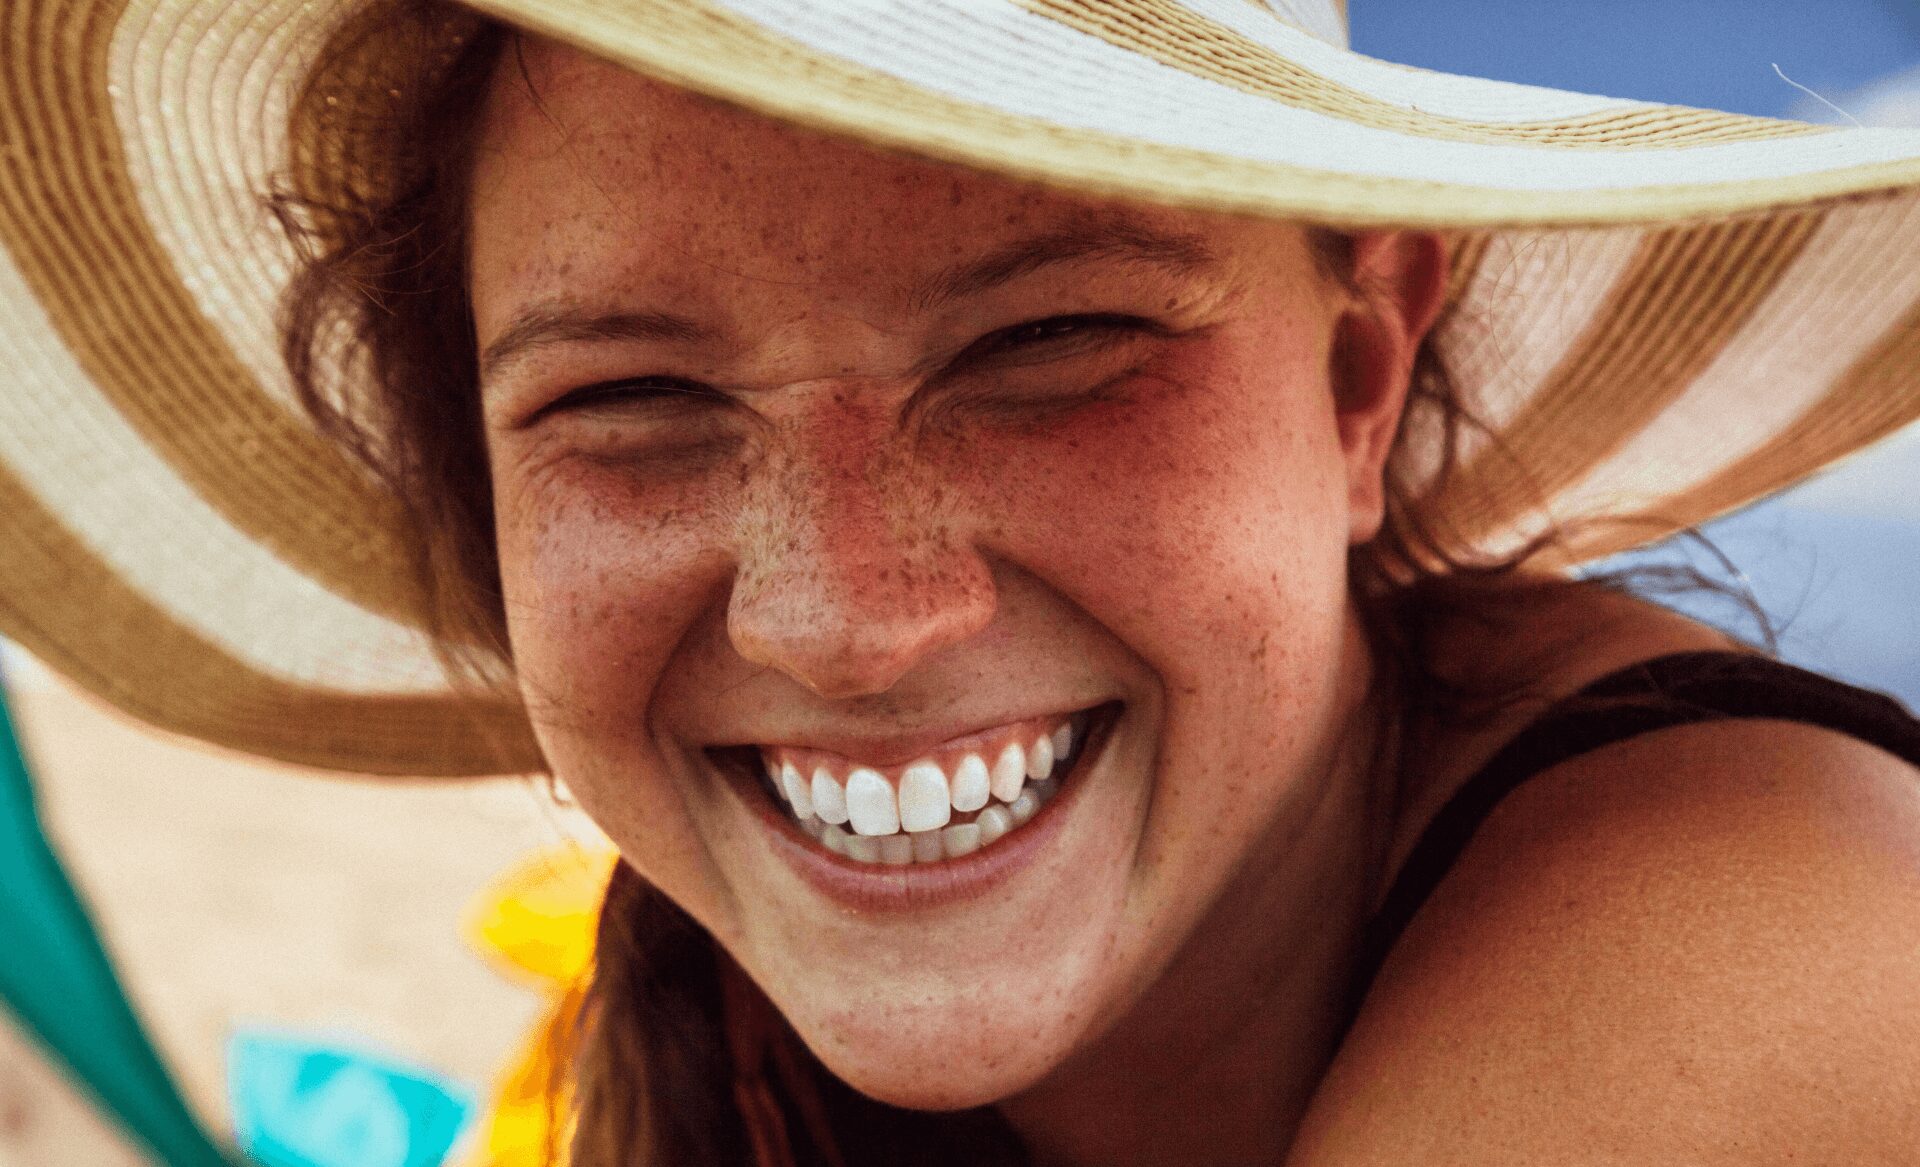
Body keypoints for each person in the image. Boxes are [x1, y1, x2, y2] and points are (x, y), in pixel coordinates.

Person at [3, 1, 1919, 1164]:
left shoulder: (1775, 915)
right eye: (637, 402)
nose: (842, 617)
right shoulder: (711, 1023)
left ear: (1360, 376)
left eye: (1051, 345)